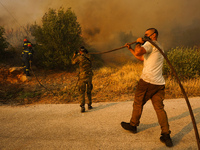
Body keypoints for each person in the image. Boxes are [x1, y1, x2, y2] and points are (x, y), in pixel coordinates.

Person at [121, 28, 173, 147]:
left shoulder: (150, 44)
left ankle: (133, 125)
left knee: (138, 103)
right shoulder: (158, 46)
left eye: (146, 35)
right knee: (159, 109)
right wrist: (130, 49)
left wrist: (139, 42)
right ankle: (166, 135)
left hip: (147, 82)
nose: (144, 36)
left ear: (154, 35)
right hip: (159, 84)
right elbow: (141, 58)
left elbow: (139, 52)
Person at [71, 46, 93, 113]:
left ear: (80, 51)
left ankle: (82, 106)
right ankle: (89, 105)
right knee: (89, 91)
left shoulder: (79, 58)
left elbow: (73, 62)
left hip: (82, 77)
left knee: (81, 92)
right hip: (89, 76)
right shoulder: (89, 57)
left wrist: (74, 55)